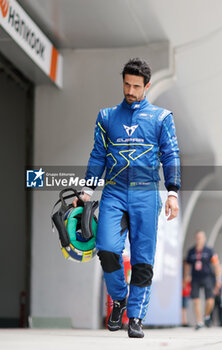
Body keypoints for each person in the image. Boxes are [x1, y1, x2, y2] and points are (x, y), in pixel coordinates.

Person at [73, 58, 181, 338]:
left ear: (147, 86)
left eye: (136, 86)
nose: (130, 90)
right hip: (115, 191)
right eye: (126, 84)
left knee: (143, 259)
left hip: (147, 193)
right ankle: (118, 299)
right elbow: (97, 155)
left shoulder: (161, 118)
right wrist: (86, 191)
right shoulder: (106, 116)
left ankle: (136, 317)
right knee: (107, 247)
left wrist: (172, 192)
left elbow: (171, 155)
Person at [184, 231, 221, 330]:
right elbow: (187, 265)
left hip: (208, 277)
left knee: (210, 300)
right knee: (196, 300)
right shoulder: (191, 251)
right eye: (197, 237)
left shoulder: (209, 251)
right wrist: (186, 276)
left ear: (204, 239)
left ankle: (207, 315)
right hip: (195, 278)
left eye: (200, 237)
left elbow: (216, 265)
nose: (198, 239)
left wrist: (218, 279)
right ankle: (199, 322)